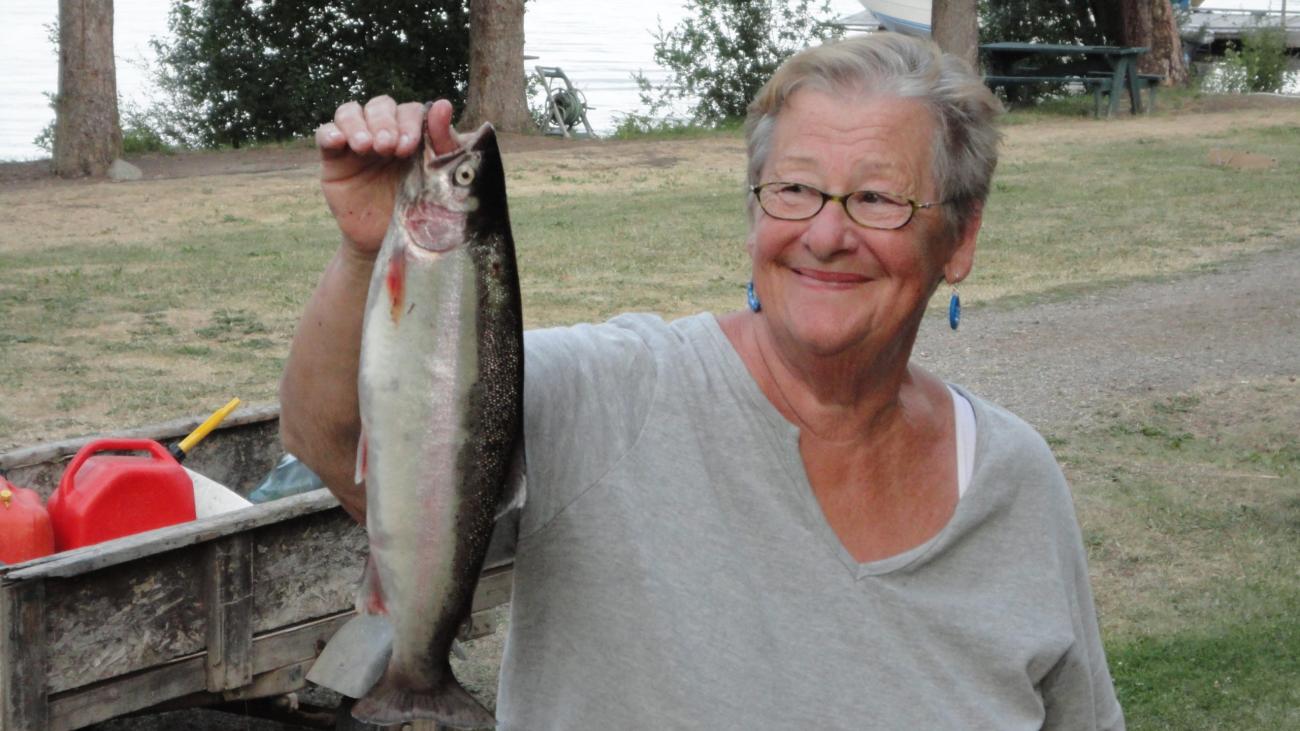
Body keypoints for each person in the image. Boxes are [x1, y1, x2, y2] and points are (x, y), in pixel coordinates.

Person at [280, 33, 1124, 730]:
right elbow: (340, 440)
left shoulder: (1015, 480)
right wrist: (368, 256)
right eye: (793, 188)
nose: (826, 233)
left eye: (878, 198)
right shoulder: (618, 393)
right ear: (755, 213)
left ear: (961, 238)